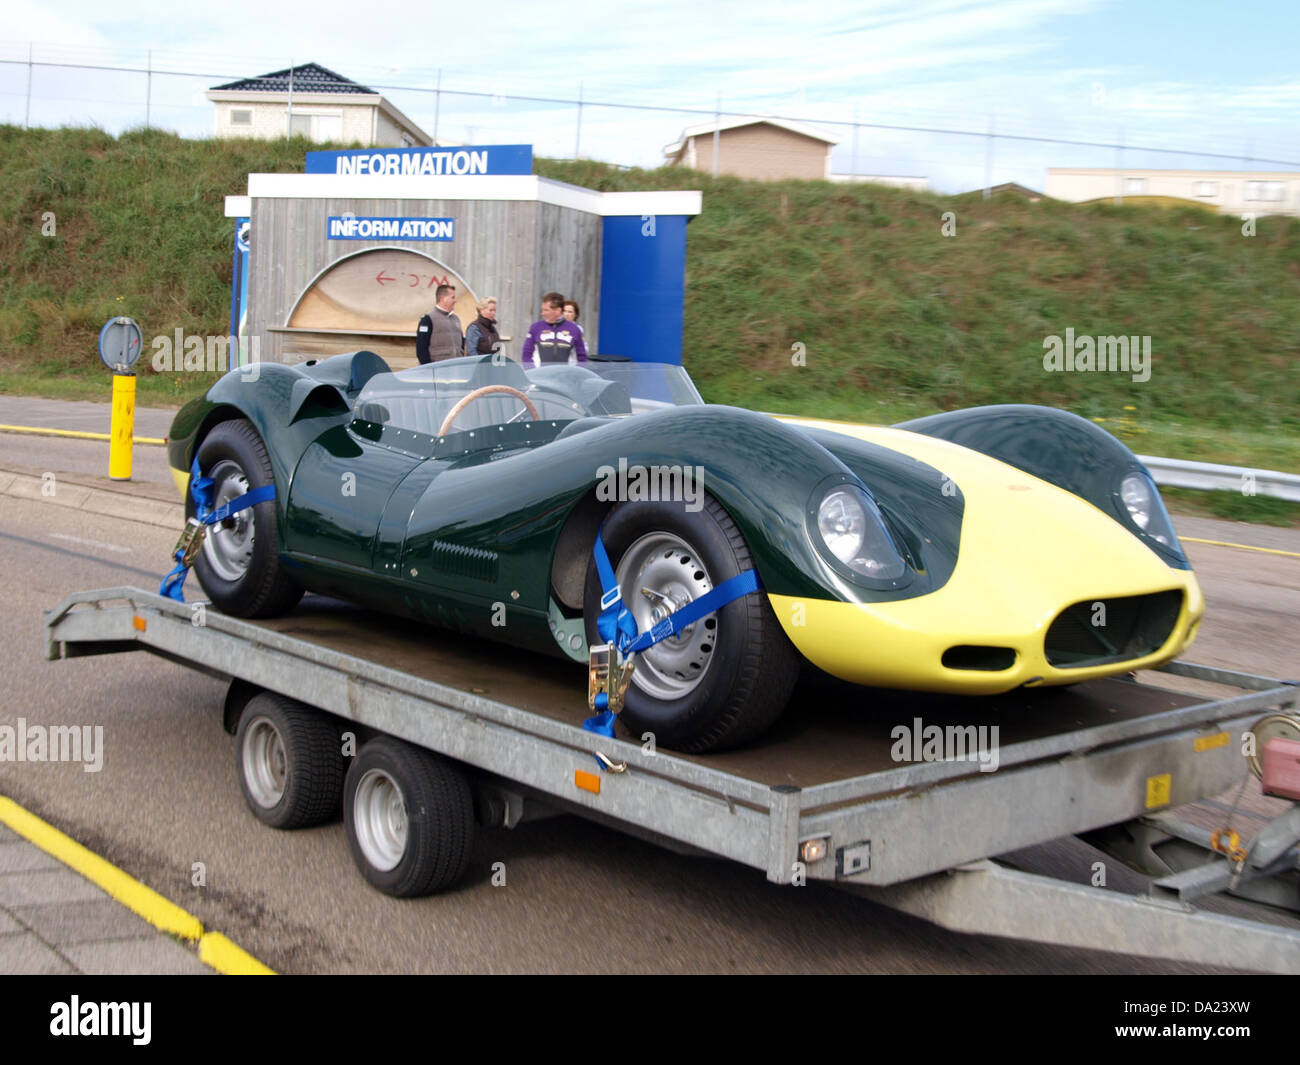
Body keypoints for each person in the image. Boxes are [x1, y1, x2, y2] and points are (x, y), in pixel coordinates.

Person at [521, 291, 587, 365]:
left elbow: (582, 356)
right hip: (540, 375)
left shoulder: (574, 329)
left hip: (565, 375)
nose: (542, 313)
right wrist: (532, 371)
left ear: (558, 310)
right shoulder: (536, 327)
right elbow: (526, 354)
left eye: (546, 310)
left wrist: (575, 375)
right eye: (542, 310)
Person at [415, 283, 464, 363]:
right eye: (452, 297)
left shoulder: (456, 319)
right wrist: (429, 369)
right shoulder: (427, 319)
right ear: (443, 298)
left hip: (456, 369)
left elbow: (461, 345)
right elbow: (421, 349)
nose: (455, 301)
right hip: (437, 371)